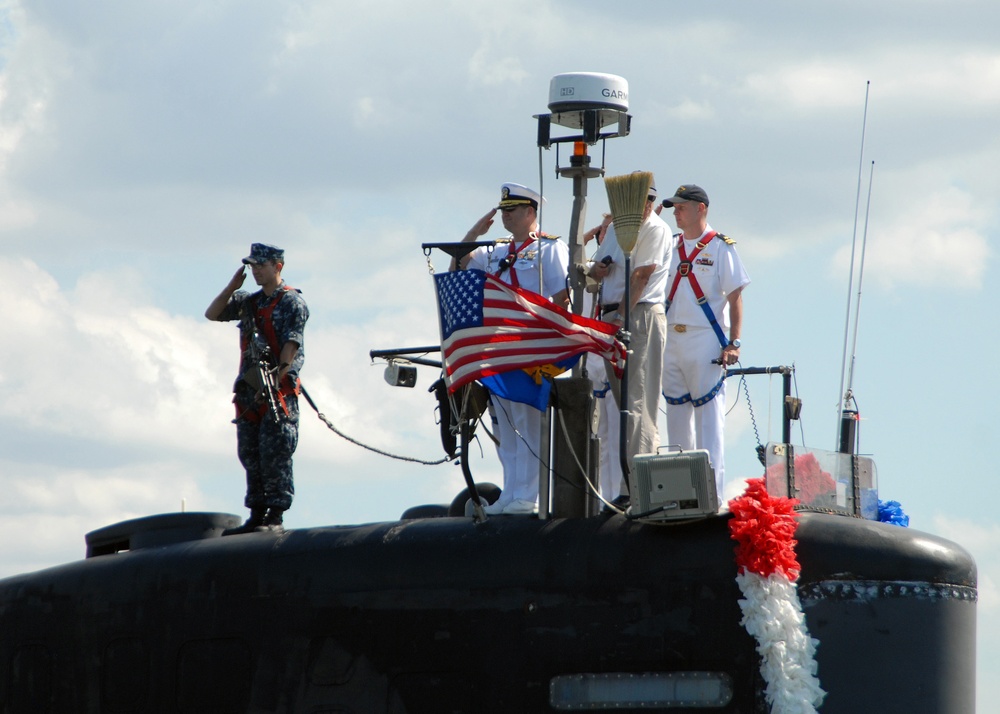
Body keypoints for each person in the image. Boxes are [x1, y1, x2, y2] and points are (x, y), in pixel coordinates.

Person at [455, 183, 570, 515]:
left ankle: (529, 495)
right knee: (504, 424)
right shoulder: (495, 252)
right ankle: (511, 493)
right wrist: (475, 231)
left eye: (512, 209)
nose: (505, 215)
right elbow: (461, 262)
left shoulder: (550, 248)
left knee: (529, 421)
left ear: (530, 212)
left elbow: (561, 297)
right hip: (498, 346)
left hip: (530, 345)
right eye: (503, 209)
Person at [205, 243, 309, 533]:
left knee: (275, 451)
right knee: (250, 452)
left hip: (277, 389)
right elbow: (212, 314)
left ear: (278, 266)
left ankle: (275, 515)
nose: (255, 271)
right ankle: (257, 513)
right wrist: (231, 287)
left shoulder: (291, 302)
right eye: (252, 266)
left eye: (261, 265)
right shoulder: (249, 302)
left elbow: (291, 342)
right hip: (250, 390)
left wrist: (278, 379)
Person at [660, 185, 750, 499]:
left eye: (682, 206)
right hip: (671, 339)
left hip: (705, 339)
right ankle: (677, 493)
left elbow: (736, 296)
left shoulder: (721, 248)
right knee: (676, 421)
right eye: (674, 207)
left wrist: (734, 342)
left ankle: (711, 493)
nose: (676, 212)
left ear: (701, 208)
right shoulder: (669, 246)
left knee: (709, 421)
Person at [587, 180, 670, 504]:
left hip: (638, 315)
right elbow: (597, 270)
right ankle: (626, 486)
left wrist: (620, 317)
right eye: (640, 199)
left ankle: (638, 488)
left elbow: (642, 276)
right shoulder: (618, 229)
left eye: (649, 199)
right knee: (622, 404)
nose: (645, 205)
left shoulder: (655, 229)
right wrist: (598, 268)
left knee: (637, 404)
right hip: (613, 316)